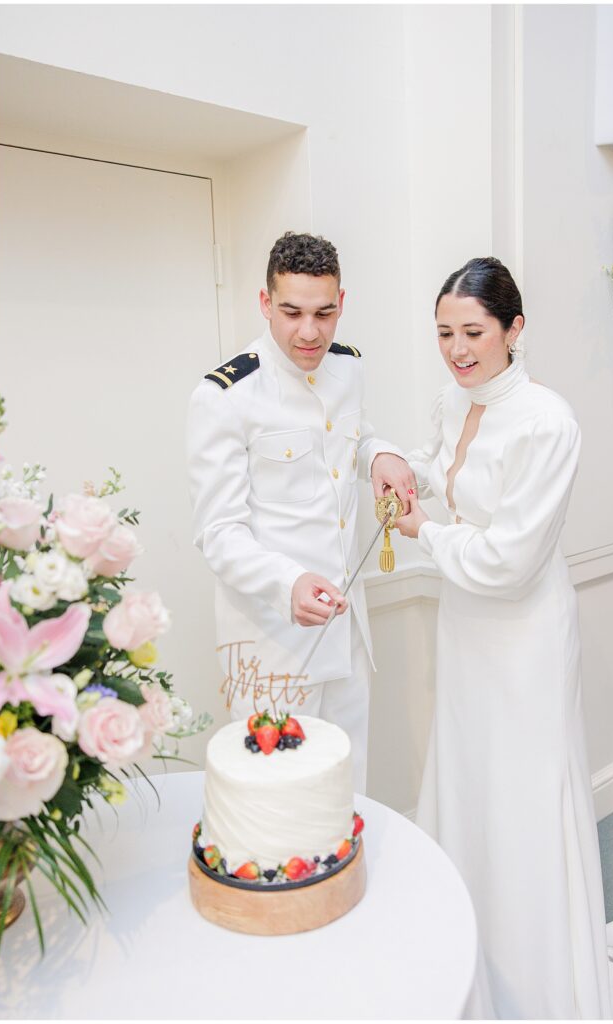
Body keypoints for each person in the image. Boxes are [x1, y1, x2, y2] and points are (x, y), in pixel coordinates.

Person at [396, 257, 613, 1019]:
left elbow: (510, 561)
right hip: (464, 625)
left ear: (514, 329)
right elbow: (439, 469)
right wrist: (395, 468)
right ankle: (466, 939)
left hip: (521, 633)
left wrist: (423, 531)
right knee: (468, 779)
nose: (456, 349)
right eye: (444, 333)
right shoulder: (450, 402)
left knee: (521, 795)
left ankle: (534, 969)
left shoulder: (547, 420)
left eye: (473, 332)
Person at [187, 232, 414, 792]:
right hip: (273, 641)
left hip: (348, 630)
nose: (309, 331)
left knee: (347, 781)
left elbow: (350, 441)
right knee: (277, 796)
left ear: (342, 304)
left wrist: (379, 454)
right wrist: (287, 582)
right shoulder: (226, 396)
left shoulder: (349, 369)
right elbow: (218, 533)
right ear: (265, 303)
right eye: (291, 312)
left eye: (324, 312)